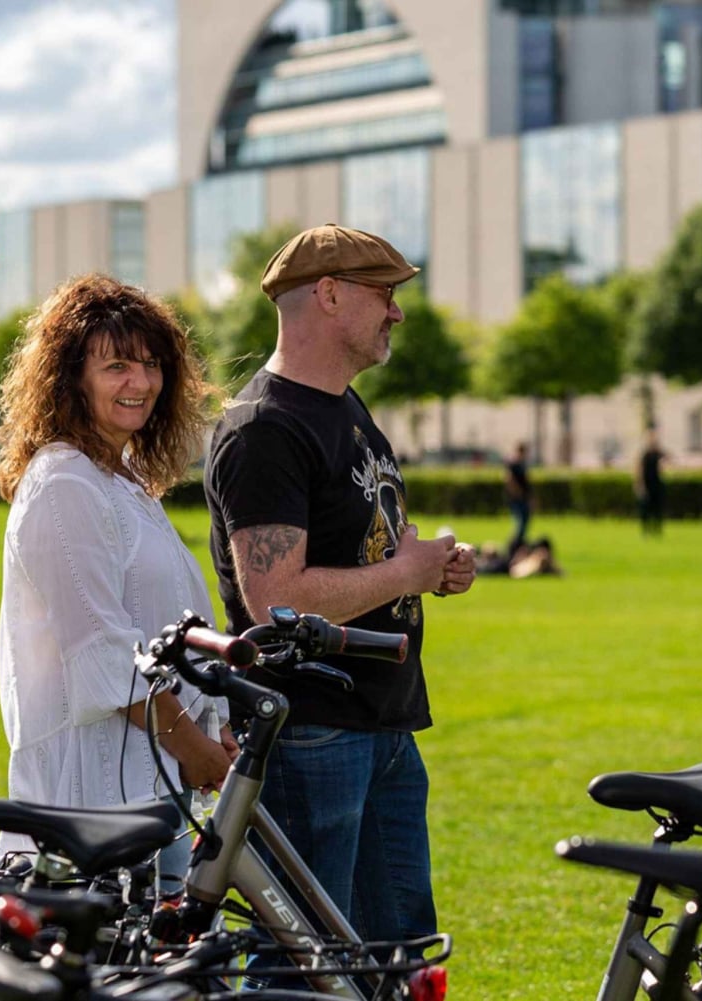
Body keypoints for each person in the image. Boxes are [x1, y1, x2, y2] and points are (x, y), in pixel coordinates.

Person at [203, 223, 476, 945]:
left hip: (379, 722)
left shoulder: (346, 410)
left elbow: (368, 549)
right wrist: (404, 571)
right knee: (299, 962)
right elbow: (275, 600)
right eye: (385, 293)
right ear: (328, 293)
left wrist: (430, 571)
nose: (398, 311)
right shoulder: (265, 427)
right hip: (313, 729)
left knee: (397, 955)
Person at [0, 274, 238, 877]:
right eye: (117, 366)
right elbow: (105, 653)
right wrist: (195, 747)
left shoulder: (120, 479)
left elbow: (166, 638)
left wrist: (215, 727)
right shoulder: (63, 482)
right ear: (71, 377)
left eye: (152, 365)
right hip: (89, 803)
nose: (141, 383)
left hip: (149, 790)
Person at [634, 426, 667, 535]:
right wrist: (640, 485)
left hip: (657, 483)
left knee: (657, 509)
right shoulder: (644, 454)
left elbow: (668, 460)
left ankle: (657, 530)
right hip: (647, 484)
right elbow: (639, 470)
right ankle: (645, 530)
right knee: (645, 509)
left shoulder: (658, 453)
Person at [504, 441, 532, 560]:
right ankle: (512, 548)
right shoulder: (514, 464)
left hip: (523, 498)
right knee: (520, 525)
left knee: (523, 525)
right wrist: (518, 494)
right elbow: (510, 480)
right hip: (517, 499)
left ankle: (519, 547)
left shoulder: (521, 464)